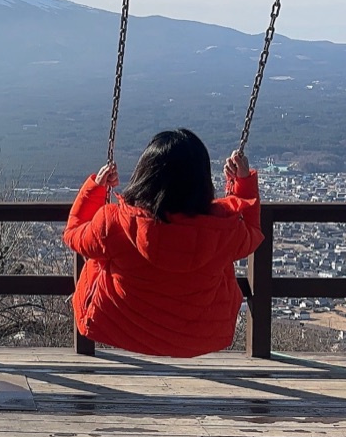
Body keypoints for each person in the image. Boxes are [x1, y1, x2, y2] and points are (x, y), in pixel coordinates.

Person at [63, 129, 264, 357]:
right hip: (199, 335)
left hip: (116, 323)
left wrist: (97, 189)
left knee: (98, 259)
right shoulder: (222, 230)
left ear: (145, 174)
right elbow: (253, 232)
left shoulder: (115, 223)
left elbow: (73, 233)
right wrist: (244, 182)